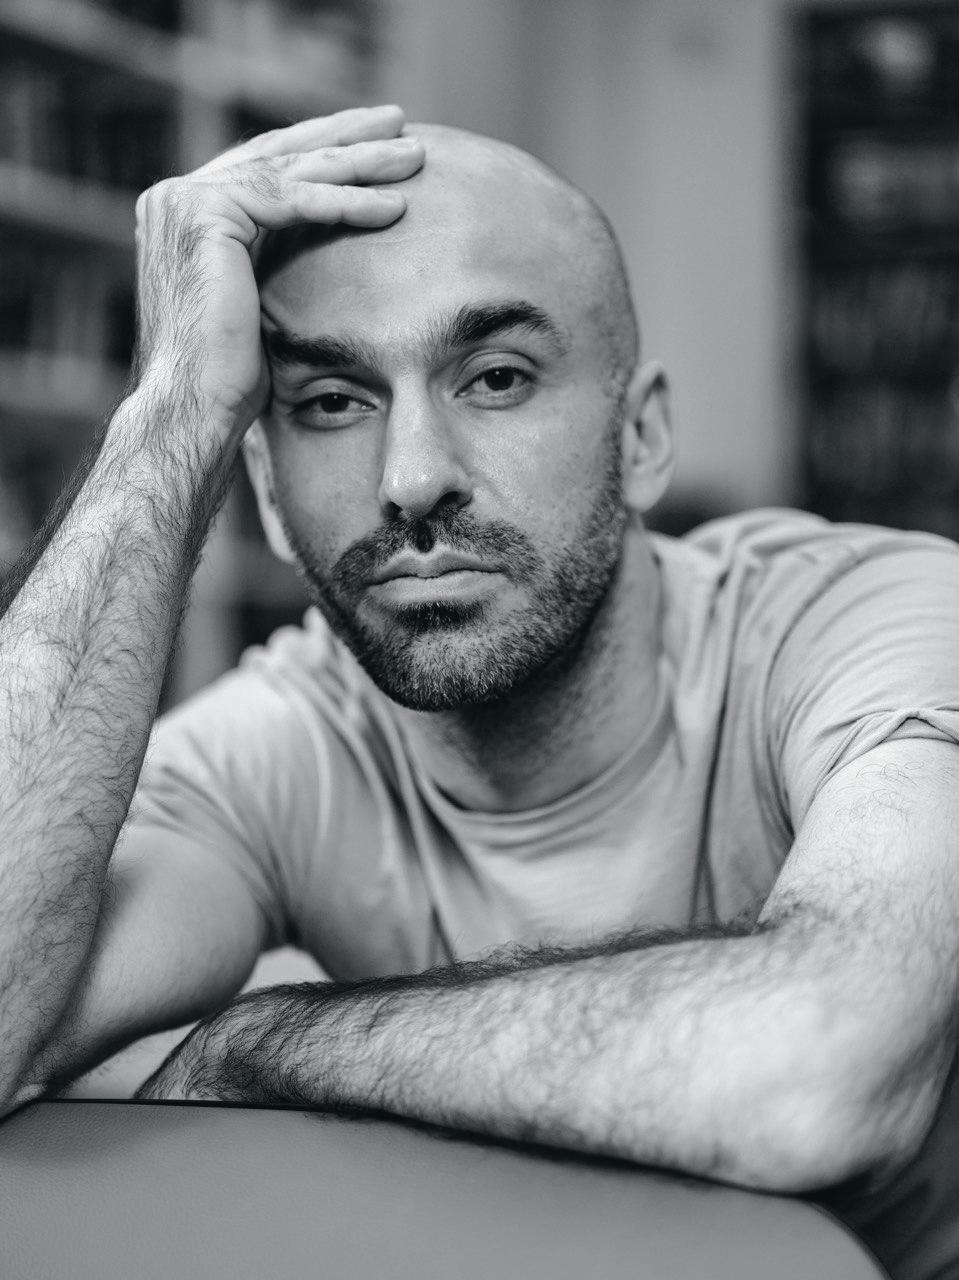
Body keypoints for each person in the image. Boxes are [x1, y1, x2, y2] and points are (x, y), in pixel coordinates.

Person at [1, 104, 958, 1271]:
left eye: (495, 377)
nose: (409, 479)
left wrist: (263, 1042)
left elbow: (818, 1067)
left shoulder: (871, 623)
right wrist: (170, 412)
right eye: (331, 400)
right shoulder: (291, 739)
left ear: (641, 438)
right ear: (266, 489)